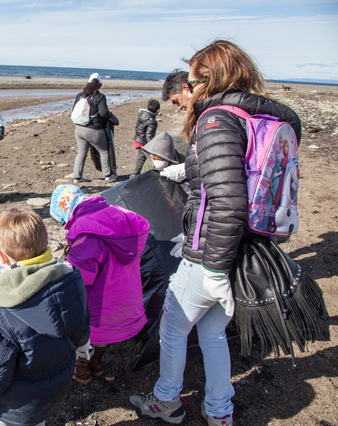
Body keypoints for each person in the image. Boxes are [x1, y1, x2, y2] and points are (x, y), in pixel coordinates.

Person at [127, 40, 301, 426]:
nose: (187, 93)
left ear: (207, 79)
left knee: (173, 327)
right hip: (250, 244)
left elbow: (226, 201)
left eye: (191, 82)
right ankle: (220, 410)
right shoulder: (266, 116)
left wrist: (216, 270)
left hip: (210, 252)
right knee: (213, 332)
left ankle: (166, 401)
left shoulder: (216, 119)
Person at [0, 207, 90, 426]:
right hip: (55, 390)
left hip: (17, 407)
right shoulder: (70, 279)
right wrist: (84, 347)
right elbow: (82, 325)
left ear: (1, 255)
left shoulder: (3, 310)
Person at [50, 185, 150, 383]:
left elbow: (82, 276)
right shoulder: (116, 215)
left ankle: (83, 369)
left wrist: (62, 271)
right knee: (103, 334)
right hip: (125, 294)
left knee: (84, 331)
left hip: (101, 299)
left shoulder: (87, 233)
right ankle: (97, 362)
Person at [72, 73, 118, 183]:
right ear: (99, 85)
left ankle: (77, 176)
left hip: (79, 129)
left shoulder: (80, 95)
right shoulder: (100, 97)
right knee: (104, 151)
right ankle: (108, 174)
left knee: (81, 153)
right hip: (94, 130)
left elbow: (74, 109)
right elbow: (103, 113)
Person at [130, 99, 160, 178]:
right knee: (140, 161)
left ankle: (138, 176)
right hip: (143, 143)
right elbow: (149, 135)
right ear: (158, 110)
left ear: (147, 108)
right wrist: (151, 147)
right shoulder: (152, 121)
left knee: (141, 160)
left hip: (138, 139)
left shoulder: (142, 114)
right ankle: (132, 178)